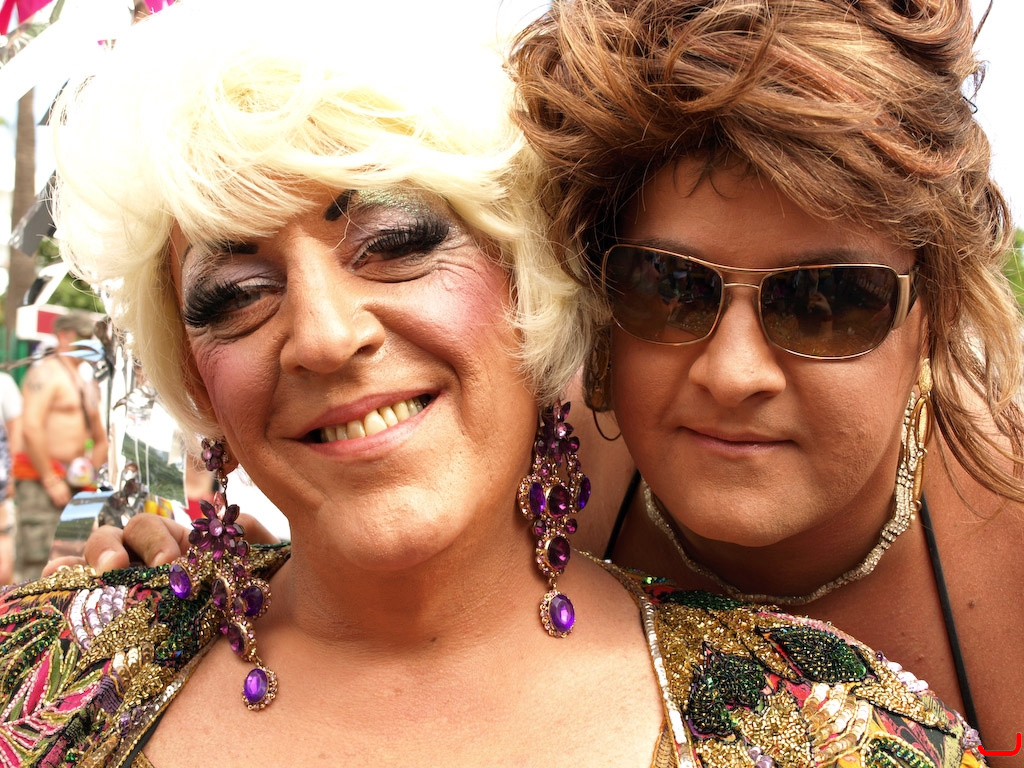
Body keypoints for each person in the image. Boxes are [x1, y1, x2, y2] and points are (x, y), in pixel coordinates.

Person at [0, 2, 983, 766]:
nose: (325, 338)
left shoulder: (842, 725)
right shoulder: (45, 671)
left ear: (531, 286)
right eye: (237, 294)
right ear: (197, 376)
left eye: (395, 242)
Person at [509, 0, 1024, 755]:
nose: (734, 374)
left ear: (934, 314)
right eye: (668, 286)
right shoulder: (533, 490)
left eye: (827, 301)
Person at [12, 310, 107, 580]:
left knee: (72, 568)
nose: (90, 343)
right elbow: (31, 427)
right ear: (64, 337)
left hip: (77, 485)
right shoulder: (45, 373)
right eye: (83, 336)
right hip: (42, 483)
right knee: (36, 569)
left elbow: (101, 439)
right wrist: (51, 479)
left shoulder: (87, 381)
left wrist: (88, 474)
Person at [0, 369, 22, 585]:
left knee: (4, 567)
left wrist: (13, 474)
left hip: (1, 481)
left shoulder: (3, 383)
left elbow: (16, 430)